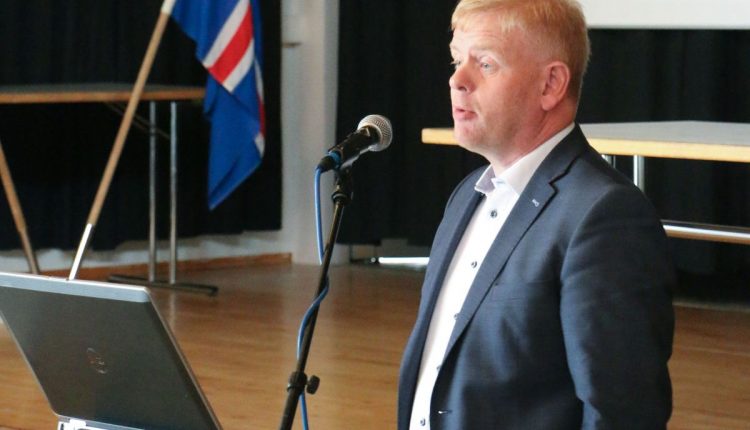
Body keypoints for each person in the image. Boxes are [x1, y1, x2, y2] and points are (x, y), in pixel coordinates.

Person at [397, 0, 675, 429]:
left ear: (551, 84)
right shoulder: (467, 196)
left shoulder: (604, 217)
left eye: (485, 64)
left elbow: (621, 412)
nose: (457, 80)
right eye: (456, 60)